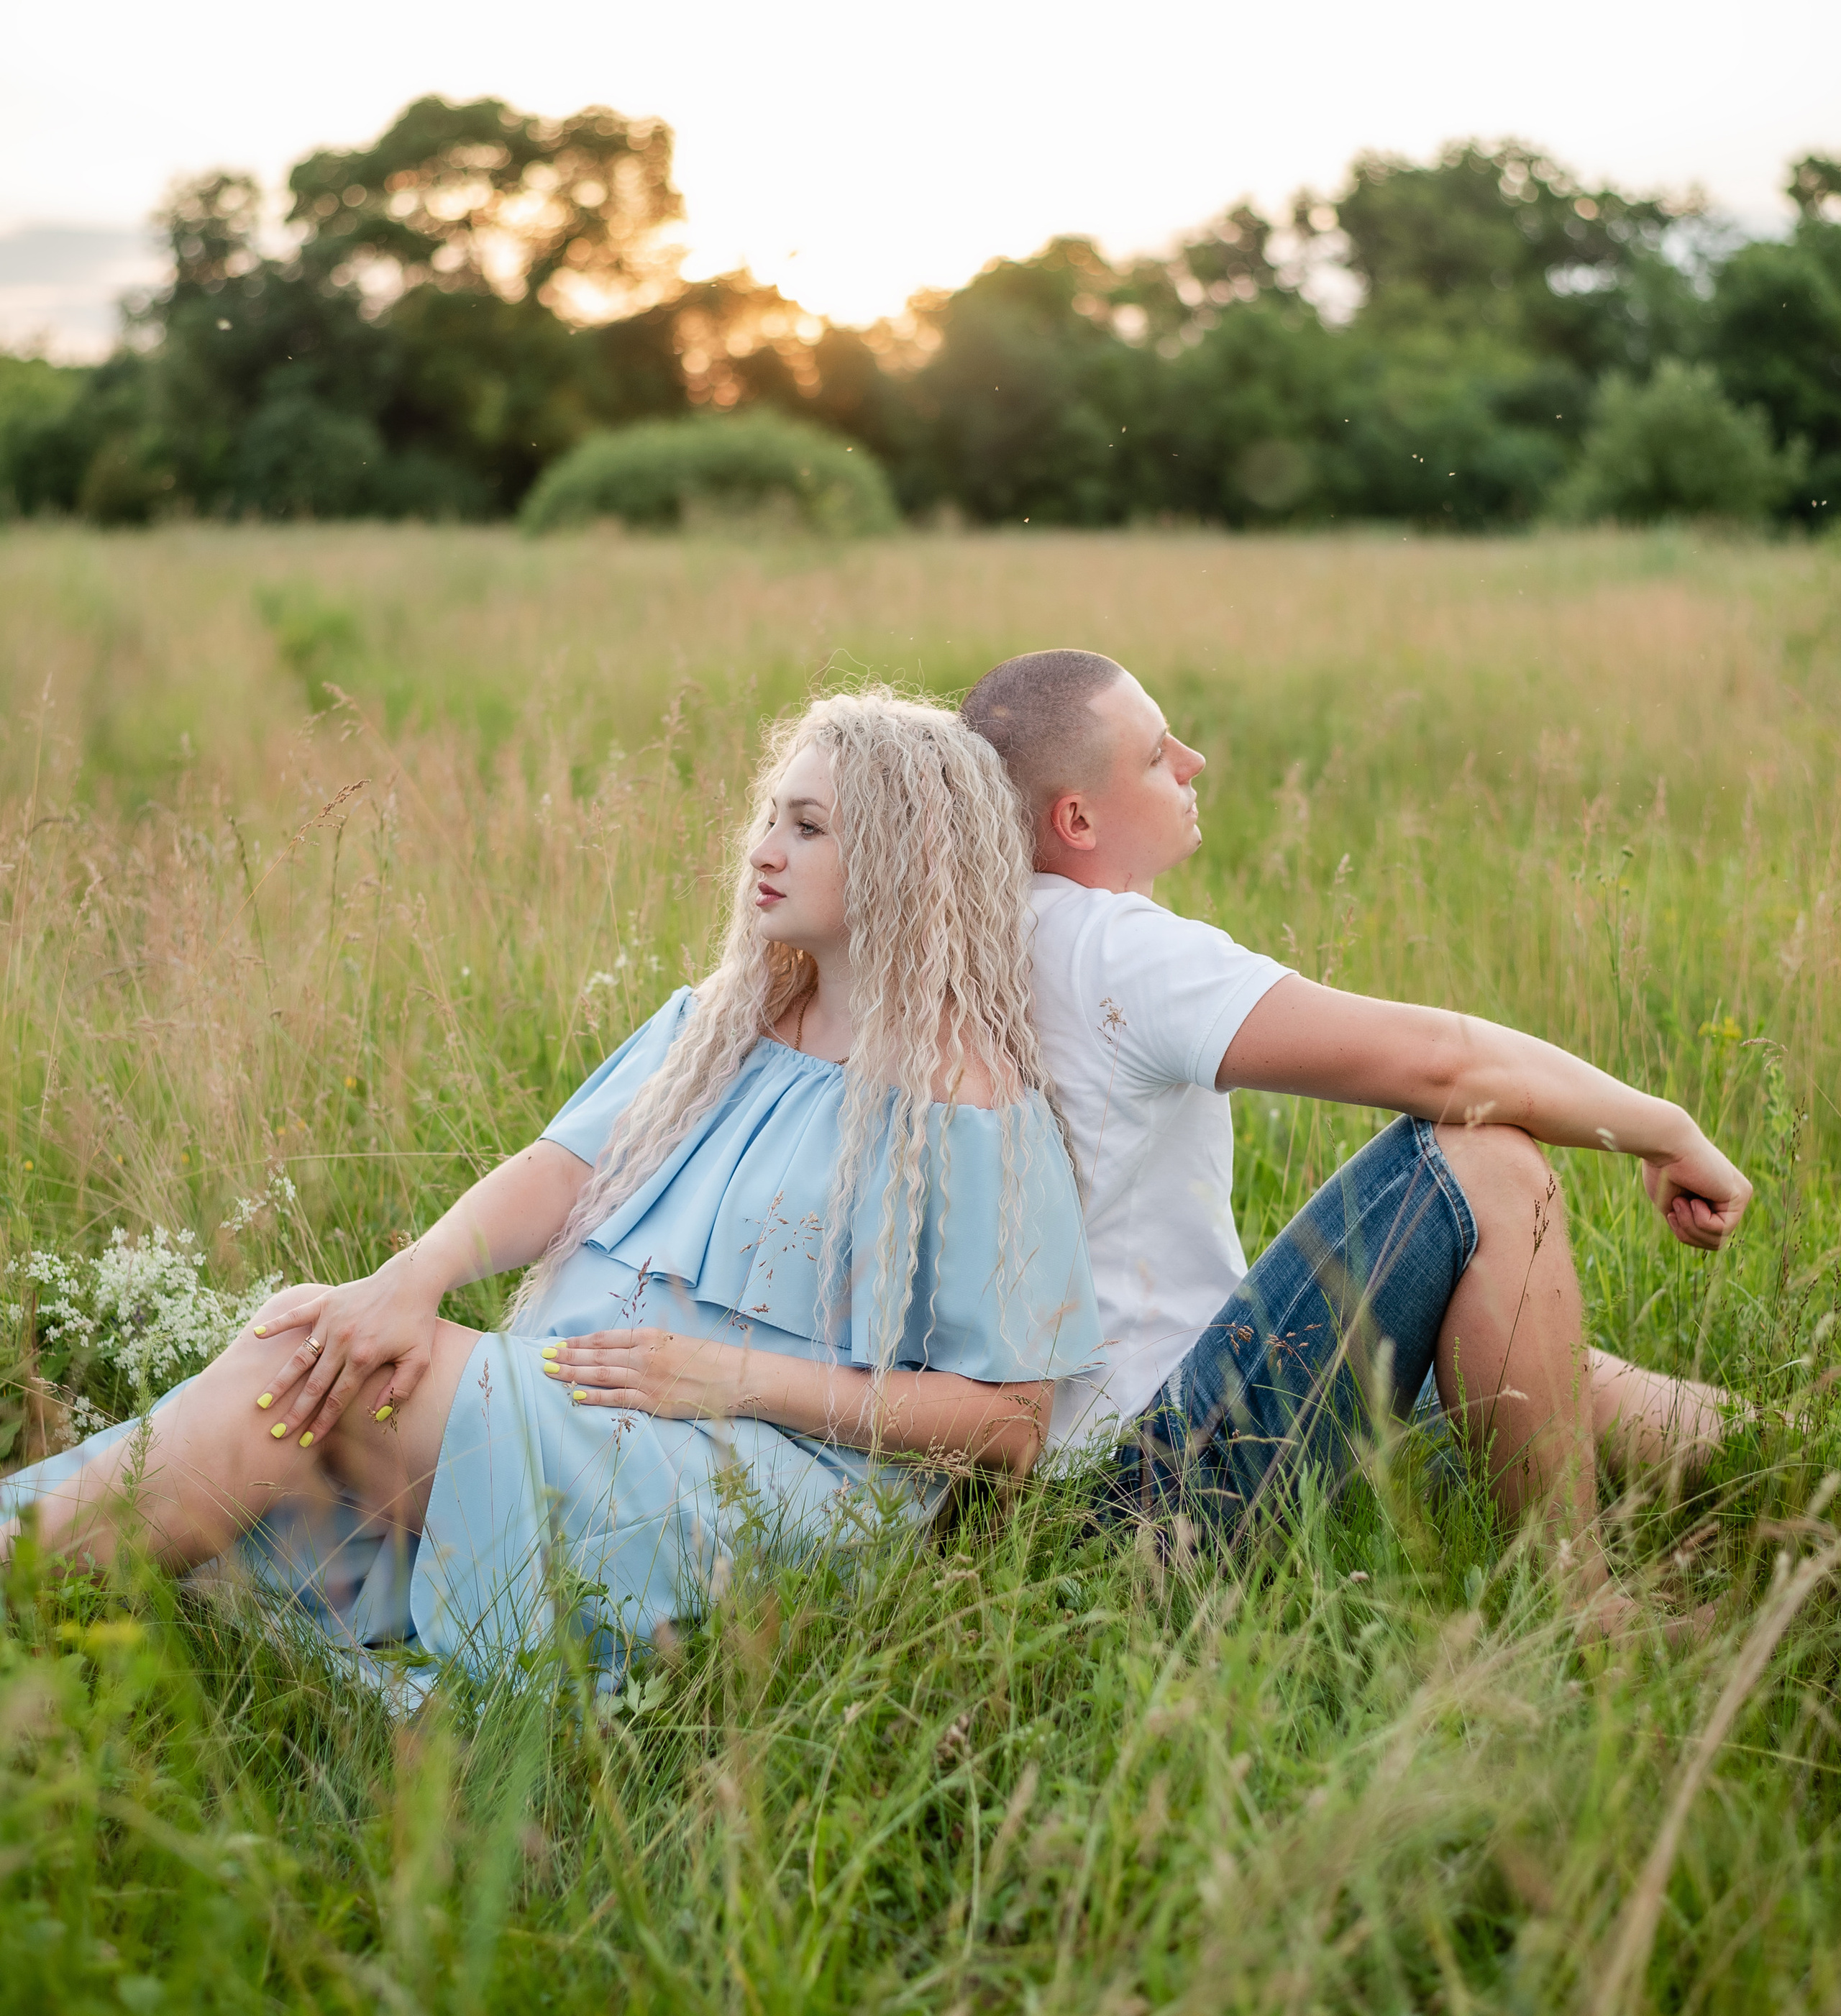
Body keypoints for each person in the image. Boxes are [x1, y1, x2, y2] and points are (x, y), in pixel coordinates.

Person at [5, 693, 1102, 1685]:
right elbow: (559, 1169)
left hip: (757, 1479)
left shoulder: (970, 1105)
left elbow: (1012, 1422)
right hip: (588, 1405)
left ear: (910, 856)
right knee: (316, 1343)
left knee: (310, 1370)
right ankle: (28, 1575)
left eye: (808, 826)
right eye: (770, 816)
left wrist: (731, 1377)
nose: (762, 849)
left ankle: (28, 1574)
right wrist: (410, 1277)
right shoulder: (721, 1022)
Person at [960, 649, 1753, 1615]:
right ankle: (1587, 1615)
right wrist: (1666, 1129)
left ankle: (1790, 1453)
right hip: (1157, 1485)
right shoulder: (1114, 950)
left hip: (1049, 1492)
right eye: (1159, 755)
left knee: (1529, 1363)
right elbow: (1446, 1066)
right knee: (1484, 1162)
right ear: (1077, 820)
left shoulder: (969, 942)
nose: (1195, 762)